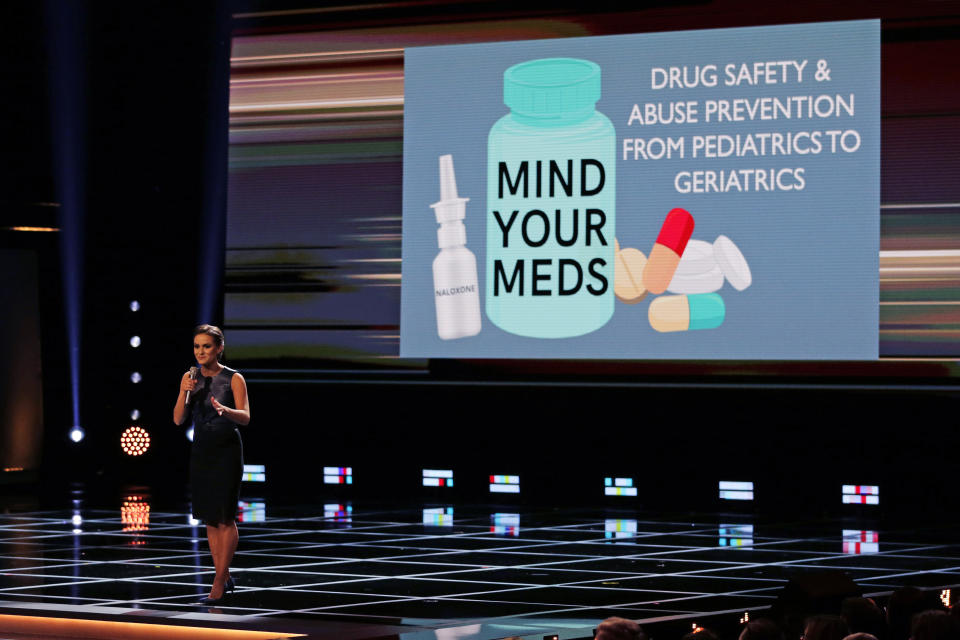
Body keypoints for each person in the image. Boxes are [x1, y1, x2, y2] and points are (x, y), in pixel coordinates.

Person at [173, 324, 250, 605]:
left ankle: (219, 580)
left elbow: (245, 417)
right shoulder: (190, 377)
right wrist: (184, 392)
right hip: (202, 450)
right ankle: (222, 575)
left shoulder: (233, 378)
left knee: (225, 516)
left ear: (219, 347)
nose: (200, 352)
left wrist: (225, 410)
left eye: (206, 346)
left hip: (226, 450)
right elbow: (178, 419)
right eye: (196, 346)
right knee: (209, 517)